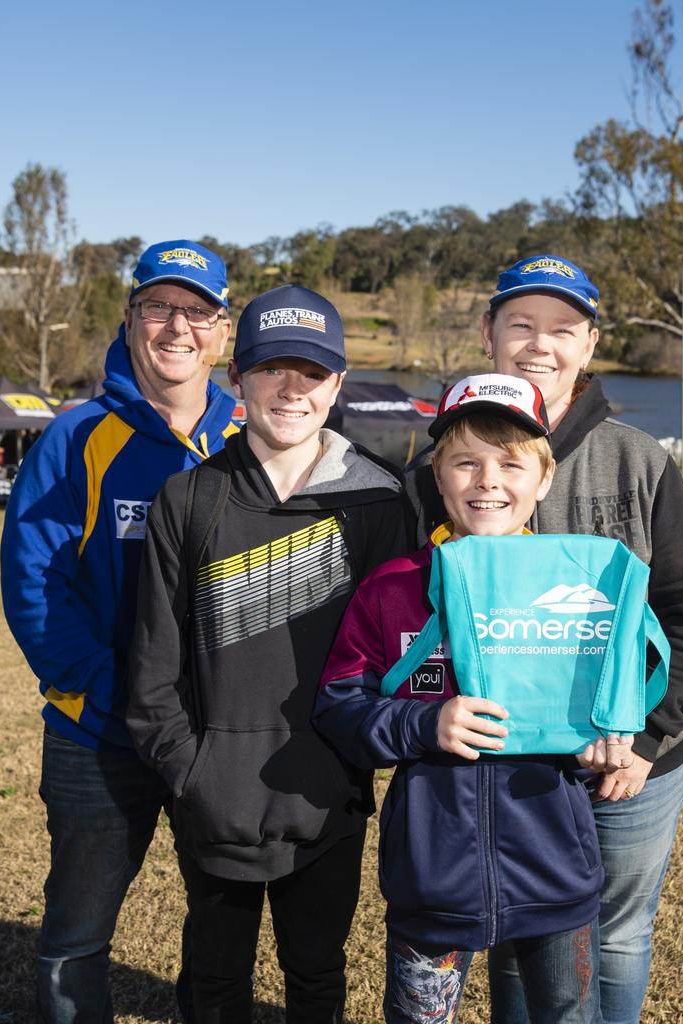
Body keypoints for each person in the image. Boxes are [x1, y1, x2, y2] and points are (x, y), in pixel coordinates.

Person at [404, 255, 683, 1024]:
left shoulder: (637, 458)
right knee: (522, 936)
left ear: (589, 343)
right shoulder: (436, 469)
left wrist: (646, 735)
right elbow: (421, 617)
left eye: (562, 329)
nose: (540, 344)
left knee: (612, 936)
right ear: (489, 334)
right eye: (520, 325)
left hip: (627, 762)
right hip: (512, 763)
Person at [126, 284, 414, 1024]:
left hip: (328, 803)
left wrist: (352, 766)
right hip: (212, 803)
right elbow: (155, 673)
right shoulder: (188, 500)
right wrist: (193, 773)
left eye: (312, 372)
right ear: (236, 382)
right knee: (215, 976)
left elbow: (397, 669)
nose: (292, 389)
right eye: (271, 369)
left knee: (315, 972)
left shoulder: (380, 506)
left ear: (338, 385)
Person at [314, 372, 625, 1023]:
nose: (488, 480)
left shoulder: (583, 587)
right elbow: (340, 706)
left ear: (542, 481)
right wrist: (424, 725)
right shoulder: (392, 588)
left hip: (555, 872)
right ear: (437, 477)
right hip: (434, 876)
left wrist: (607, 742)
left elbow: (612, 705)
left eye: (511, 464)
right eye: (466, 462)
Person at [0, 239, 237, 1024]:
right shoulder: (77, 436)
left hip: (216, 737)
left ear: (222, 330)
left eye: (196, 311)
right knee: (77, 932)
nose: (178, 328)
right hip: (96, 732)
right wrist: (114, 689)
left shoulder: (254, 438)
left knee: (221, 931)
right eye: (159, 307)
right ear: (130, 318)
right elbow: (37, 585)